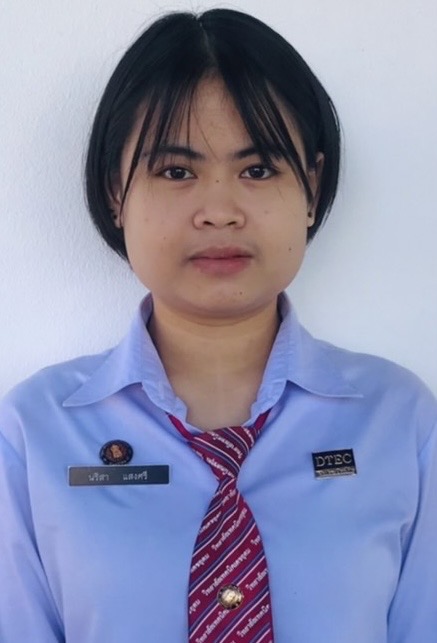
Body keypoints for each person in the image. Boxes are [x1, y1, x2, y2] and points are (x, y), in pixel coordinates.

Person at [0, 8, 436, 643]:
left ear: (311, 188)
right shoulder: (32, 433)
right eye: (176, 171)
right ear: (116, 192)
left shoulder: (400, 421)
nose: (220, 211)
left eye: (257, 170)